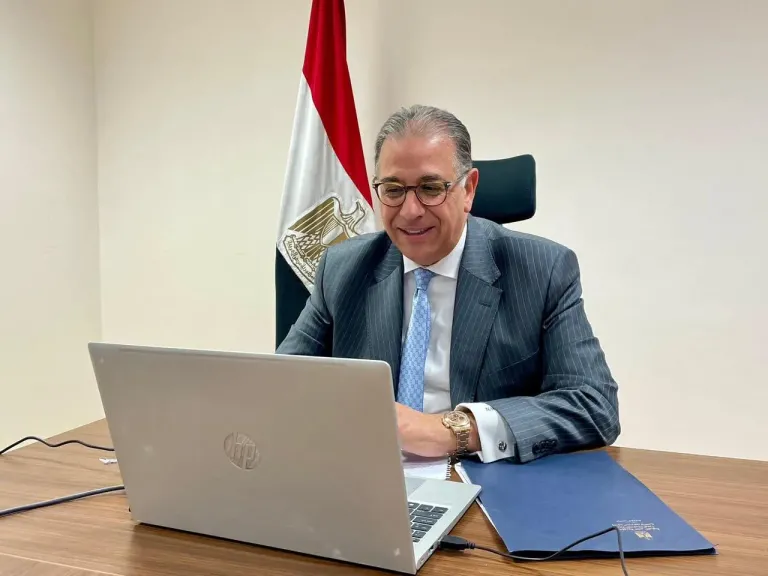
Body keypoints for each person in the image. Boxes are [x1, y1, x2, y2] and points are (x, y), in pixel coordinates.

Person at [277, 105, 620, 464]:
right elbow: (280, 384)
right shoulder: (343, 268)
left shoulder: (542, 270)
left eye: (430, 188)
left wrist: (452, 431)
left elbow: (593, 404)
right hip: (366, 473)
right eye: (393, 190)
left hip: (485, 479)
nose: (410, 210)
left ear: (468, 189)